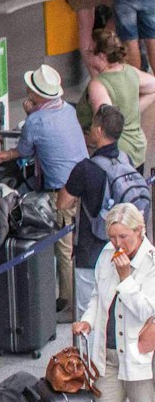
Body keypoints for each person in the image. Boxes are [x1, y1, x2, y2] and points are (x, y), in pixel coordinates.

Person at [71, 202, 155, 402]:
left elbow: (146, 310)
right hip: (106, 354)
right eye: (113, 236)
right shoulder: (107, 254)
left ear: (139, 231)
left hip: (138, 358)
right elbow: (97, 295)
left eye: (124, 237)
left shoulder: (151, 261)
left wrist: (126, 276)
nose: (117, 244)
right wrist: (87, 320)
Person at [61, 106, 146, 318]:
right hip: (126, 252)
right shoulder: (127, 161)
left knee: (88, 315)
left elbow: (62, 202)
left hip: (91, 253)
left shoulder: (86, 169)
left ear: (98, 131)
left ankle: (91, 352)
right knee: (122, 313)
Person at [0, 64, 86, 192]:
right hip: (83, 179)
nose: (27, 89)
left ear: (36, 95)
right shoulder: (69, 109)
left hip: (60, 189)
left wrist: (8, 154)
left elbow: (24, 151)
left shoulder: (35, 121)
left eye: (30, 88)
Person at [84, 30, 155, 170]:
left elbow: (106, 124)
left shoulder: (98, 85)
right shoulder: (131, 72)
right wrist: (133, 109)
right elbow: (153, 86)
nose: (88, 55)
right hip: (137, 149)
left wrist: (88, 140)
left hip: (116, 157)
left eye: (91, 52)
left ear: (102, 56)